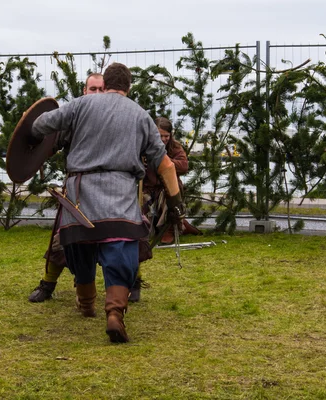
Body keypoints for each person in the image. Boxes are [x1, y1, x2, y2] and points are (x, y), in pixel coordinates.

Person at [31, 62, 184, 343]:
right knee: (120, 252)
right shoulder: (140, 115)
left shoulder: (80, 105)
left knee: (80, 249)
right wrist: (176, 203)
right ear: (128, 87)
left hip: (81, 194)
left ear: (107, 83)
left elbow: (40, 125)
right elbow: (166, 166)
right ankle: (114, 313)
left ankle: (86, 302)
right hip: (120, 197)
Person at [28, 73, 105, 303]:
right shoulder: (74, 119)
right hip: (78, 192)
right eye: (93, 89)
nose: (97, 94)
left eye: (102, 89)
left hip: (110, 192)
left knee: (126, 238)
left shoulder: (117, 117)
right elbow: (49, 146)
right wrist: (31, 144)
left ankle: (132, 283)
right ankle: (48, 284)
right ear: (84, 91)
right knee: (63, 239)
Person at [143, 117, 201, 245]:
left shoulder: (175, 147)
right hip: (147, 188)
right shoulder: (143, 146)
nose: (163, 139)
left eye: (166, 136)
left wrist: (163, 163)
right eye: (160, 136)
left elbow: (184, 165)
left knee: (170, 197)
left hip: (166, 188)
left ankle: (169, 230)